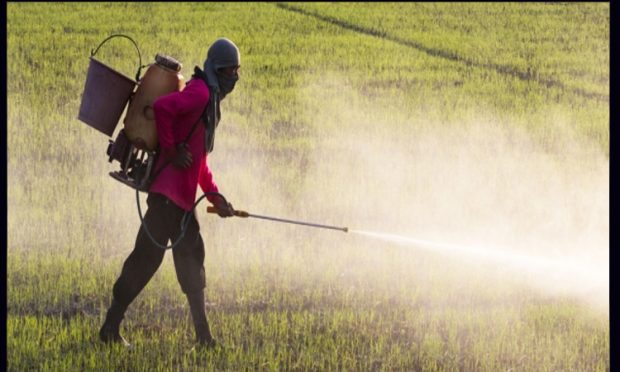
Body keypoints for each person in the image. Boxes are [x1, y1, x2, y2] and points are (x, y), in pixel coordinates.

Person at [99, 38, 241, 349]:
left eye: (237, 71)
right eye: (231, 70)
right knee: (145, 261)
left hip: (182, 202)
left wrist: (217, 198)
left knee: (191, 264)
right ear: (218, 68)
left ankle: (203, 338)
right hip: (167, 198)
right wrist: (173, 149)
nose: (235, 77)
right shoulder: (201, 92)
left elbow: (199, 162)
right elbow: (162, 108)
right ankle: (110, 326)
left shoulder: (210, 100)